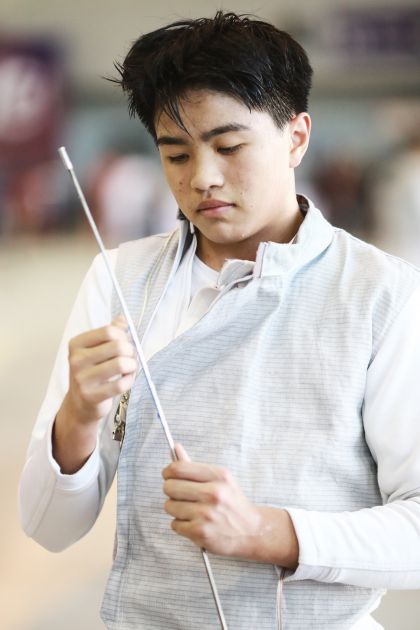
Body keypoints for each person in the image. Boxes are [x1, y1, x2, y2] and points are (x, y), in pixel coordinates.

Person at [19, 11, 420, 630]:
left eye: (229, 147)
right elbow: (49, 527)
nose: (202, 178)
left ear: (296, 137)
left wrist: (267, 531)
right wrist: (78, 414)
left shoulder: (381, 293)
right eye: (176, 154)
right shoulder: (120, 279)